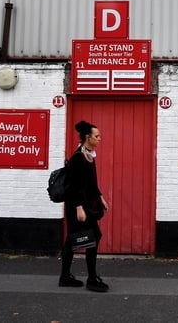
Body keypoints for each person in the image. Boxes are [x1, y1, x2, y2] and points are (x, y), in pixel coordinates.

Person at [59, 120, 110, 292]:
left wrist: (101, 196)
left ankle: (66, 277)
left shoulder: (89, 155)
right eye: (97, 136)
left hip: (87, 205)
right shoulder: (77, 158)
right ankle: (91, 279)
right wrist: (79, 208)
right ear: (88, 138)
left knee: (73, 240)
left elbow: (90, 182)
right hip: (78, 207)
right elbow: (74, 186)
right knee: (93, 236)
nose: (99, 138)